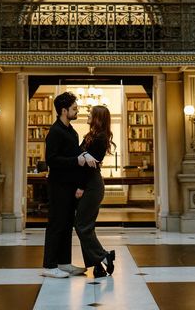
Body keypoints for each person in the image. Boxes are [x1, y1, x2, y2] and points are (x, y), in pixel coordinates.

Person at [42, 91, 98, 278]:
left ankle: (63, 263)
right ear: (64, 110)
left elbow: (75, 156)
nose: (78, 111)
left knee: (67, 224)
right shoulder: (55, 132)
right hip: (58, 186)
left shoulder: (72, 132)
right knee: (56, 225)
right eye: (74, 109)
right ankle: (49, 266)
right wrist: (77, 160)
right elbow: (52, 160)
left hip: (69, 186)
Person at [75, 104, 116, 278]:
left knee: (81, 225)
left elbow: (89, 168)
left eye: (91, 113)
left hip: (91, 185)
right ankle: (97, 266)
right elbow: (79, 155)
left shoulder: (100, 138)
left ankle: (104, 256)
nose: (87, 115)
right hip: (89, 183)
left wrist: (81, 187)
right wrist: (83, 155)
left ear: (98, 117)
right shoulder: (90, 136)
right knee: (87, 227)